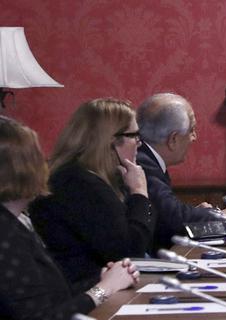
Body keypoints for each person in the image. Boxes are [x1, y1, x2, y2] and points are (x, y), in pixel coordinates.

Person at [0, 117, 138, 320]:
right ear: (23, 168)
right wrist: (104, 290)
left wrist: (101, 279)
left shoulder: (15, 222)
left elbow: (49, 298)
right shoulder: (5, 235)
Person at [30, 98, 154, 292]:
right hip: (81, 297)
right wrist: (139, 192)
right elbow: (129, 252)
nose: (139, 143)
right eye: (134, 135)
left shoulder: (84, 176)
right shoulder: (78, 183)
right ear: (111, 141)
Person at [137, 93, 226, 252]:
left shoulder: (147, 157)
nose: (194, 137)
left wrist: (199, 214)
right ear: (173, 139)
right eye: (192, 130)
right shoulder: (143, 163)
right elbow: (172, 219)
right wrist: (219, 216)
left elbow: (168, 213)